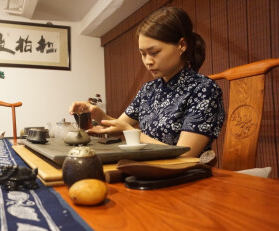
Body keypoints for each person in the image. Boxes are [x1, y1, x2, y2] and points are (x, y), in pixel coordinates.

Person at [69, 6, 225, 157]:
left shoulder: (203, 89)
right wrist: (97, 113)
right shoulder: (149, 89)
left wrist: (131, 132)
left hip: (183, 175)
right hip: (148, 168)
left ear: (181, 45)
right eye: (143, 54)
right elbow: (119, 126)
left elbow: (185, 155)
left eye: (154, 52)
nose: (147, 61)